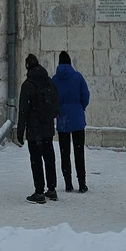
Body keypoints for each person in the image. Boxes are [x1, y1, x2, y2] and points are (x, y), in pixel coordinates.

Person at [16, 52, 60, 204]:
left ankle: (39, 191)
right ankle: (52, 189)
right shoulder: (48, 82)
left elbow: (23, 110)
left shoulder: (28, 85)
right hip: (47, 127)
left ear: (27, 66)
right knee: (49, 158)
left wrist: (20, 131)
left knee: (36, 160)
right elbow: (56, 103)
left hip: (34, 129)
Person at [51, 51, 90, 193]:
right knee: (79, 152)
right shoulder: (78, 77)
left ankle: (68, 182)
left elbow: (52, 98)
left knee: (64, 152)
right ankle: (82, 183)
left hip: (62, 119)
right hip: (77, 118)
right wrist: (80, 108)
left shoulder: (54, 79)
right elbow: (85, 95)